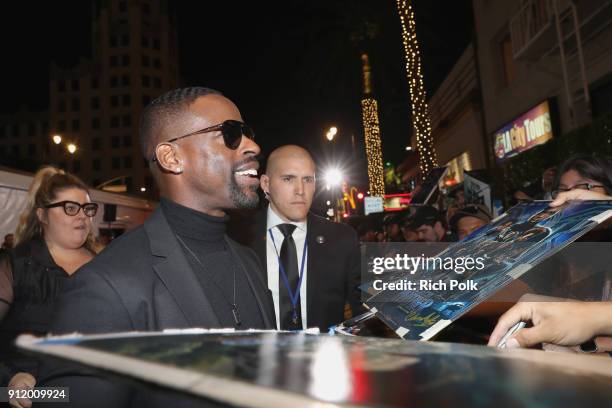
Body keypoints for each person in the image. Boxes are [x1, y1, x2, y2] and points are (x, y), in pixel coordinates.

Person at [40, 87, 276, 407]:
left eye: (247, 133)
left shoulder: (249, 263)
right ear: (171, 157)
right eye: (230, 134)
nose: (253, 146)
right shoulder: (106, 286)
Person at [0, 167, 101, 403]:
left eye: (87, 209)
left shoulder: (104, 266)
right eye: (70, 208)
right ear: (42, 215)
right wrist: (9, 379)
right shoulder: (15, 267)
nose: (82, 216)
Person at [489, 163, 612, 349]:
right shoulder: (552, 254)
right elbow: (513, 291)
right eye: (562, 190)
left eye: (584, 187)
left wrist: (593, 318)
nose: (570, 197)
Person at [243, 145, 364, 332]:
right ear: (266, 184)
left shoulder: (342, 239)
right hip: (257, 358)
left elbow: (364, 311)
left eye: (308, 179)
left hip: (324, 357)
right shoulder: (239, 238)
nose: (300, 190)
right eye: (288, 179)